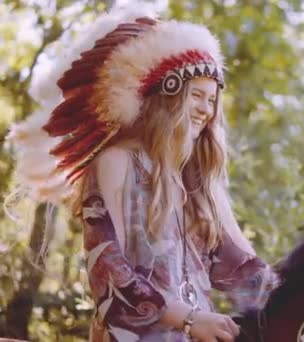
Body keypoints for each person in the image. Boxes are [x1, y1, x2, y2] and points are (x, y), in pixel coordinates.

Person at [8, 4, 277, 341]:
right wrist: (190, 320)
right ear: (167, 97)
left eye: (212, 100)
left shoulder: (197, 182)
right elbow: (110, 279)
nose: (206, 111)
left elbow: (243, 273)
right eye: (196, 96)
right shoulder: (117, 161)